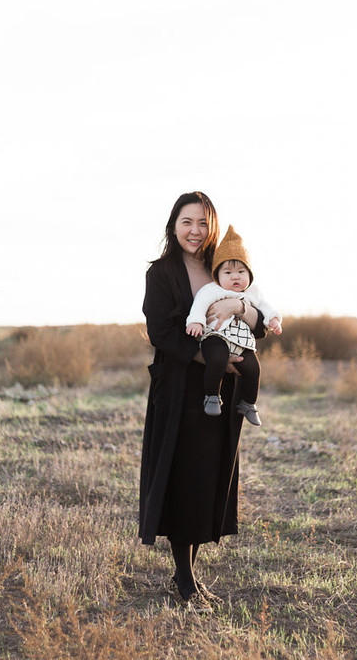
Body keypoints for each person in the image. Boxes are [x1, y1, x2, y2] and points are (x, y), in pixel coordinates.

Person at [139, 192, 269, 611]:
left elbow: (261, 324)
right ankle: (185, 579)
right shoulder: (161, 273)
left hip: (222, 391)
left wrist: (238, 305)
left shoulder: (226, 267)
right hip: (180, 387)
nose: (195, 231)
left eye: (202, 223)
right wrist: (208, 358)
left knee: (207, 476)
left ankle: (188, 574)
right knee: (183, 476)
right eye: (187, 222)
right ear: (173, 225)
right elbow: (160, 332)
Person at [185, 225, 282, 427]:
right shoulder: (212, 289)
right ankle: (212, 396)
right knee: (217, 358)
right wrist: (195, 321)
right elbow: (199, 305)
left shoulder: (253, 292)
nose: (235, 276)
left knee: (253, 368)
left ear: (249, 274)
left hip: (242, 341)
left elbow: (265, 308)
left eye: (241, 271)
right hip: (216, 336)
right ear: (217, 275)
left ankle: (248, 403)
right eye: (228, 272)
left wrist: (273, 319)